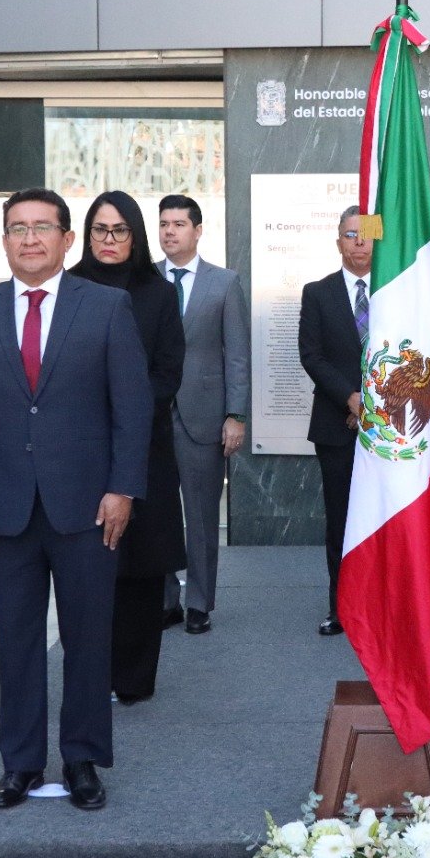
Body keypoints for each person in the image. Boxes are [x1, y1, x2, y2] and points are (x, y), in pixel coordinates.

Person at [0, 188, 152, 811]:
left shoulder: (106, 307)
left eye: (42, 227)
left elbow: (132, 409)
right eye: (17, 228)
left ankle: (82, 759)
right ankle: (21, 763)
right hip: (3, 508)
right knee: (17, 641)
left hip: (88, 506)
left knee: (88, 637)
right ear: (5, 240)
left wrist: (122, 488)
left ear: (66, 239)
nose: (29, 239)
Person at [69, 190, 185, 702]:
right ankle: (91, 675)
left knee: (140, 568)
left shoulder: (157, 293)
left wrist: (125, 411)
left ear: (134, 236)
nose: (109, 239)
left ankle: (134, 680)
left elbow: (168, 372)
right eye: (100, 229)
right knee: (86, 568)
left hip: (144, 449)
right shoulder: (68, 287)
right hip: (80, 449)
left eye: (119, 230)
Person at [157, 193, 248, 636]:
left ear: (197, 230)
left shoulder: (224, 283)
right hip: (153, 417)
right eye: (163, 224)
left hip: (205, 417)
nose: (169, 232)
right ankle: (164, 600)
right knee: (157, 516)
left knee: (201, 516)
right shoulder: (145, 280)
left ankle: (198, 602)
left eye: (178, 224)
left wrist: (236, 414)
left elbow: (237, 353)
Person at [298, 205, 368, 637]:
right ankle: (341, 606)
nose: (359, 242)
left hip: (393, 428)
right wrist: (350, 397)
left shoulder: (397, 291)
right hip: (336, 424)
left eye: (367, 234)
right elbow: (311, 355)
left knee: (387, 518)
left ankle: (383, 606)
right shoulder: (318, 292)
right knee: (341, 519)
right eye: (350, 234)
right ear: (338, 241)